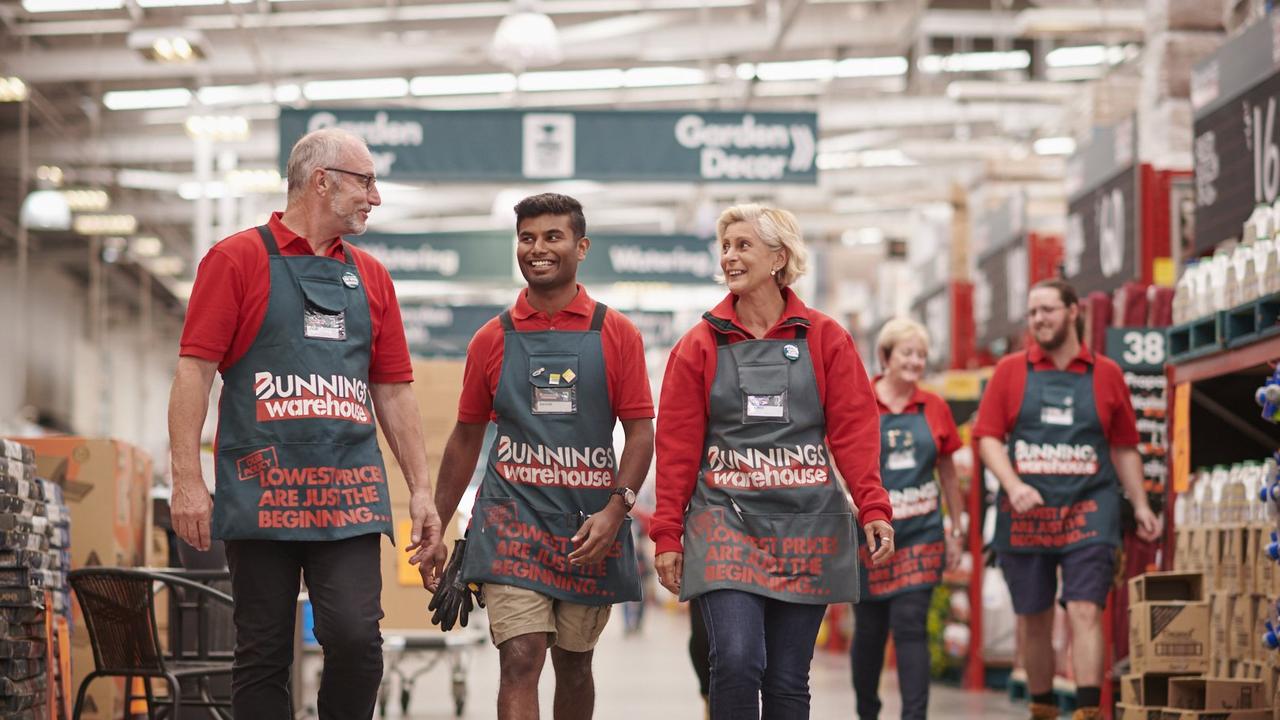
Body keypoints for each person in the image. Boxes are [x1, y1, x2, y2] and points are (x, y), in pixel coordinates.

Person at [167, 127, 446, 719]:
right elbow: (194, 374)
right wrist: (188, 479)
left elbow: (393, 392)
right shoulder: (236, 259)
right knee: (263, 652)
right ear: (323, 181)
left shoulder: (371, 278)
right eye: (366, 182)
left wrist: (422, 489)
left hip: (348, 494)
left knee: (355, 639)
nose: (375, 197)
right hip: (259, 491)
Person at [651, 203, 894, 720]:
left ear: (779, 257)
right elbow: (676, 448)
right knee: (736, 660)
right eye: (726, 246)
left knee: (787, 679)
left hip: (808, 522)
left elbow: (854, 431)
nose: (729, 257)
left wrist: (873, 508)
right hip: (725, 522)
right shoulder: (698, 345)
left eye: (743, 246)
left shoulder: (825, 338)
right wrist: (667, 533)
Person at [429, 193, 655, 720]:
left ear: (582, 246)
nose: (537, 249)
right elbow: (465, 440)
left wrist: (617, 509)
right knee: (520, 657)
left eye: (552, 237)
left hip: (587, 528)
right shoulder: (492, 339)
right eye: (527, 238)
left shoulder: (616, 333)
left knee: (575, 664)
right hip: (512, 520)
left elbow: (641, 431)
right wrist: (435, 527)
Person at [974, 278, 1162, 720]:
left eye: (1048, 310)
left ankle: (1087, 712)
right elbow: (987, 438)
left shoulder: (1107, 374)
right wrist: (1013, 484)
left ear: (1073, 312)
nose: (1038, 319)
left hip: (1089, 508)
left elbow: (1123, 446)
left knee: (1084, 608)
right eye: (1033, 312)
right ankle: (1042, 708)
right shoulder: (1011, 371)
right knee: (1034, 617)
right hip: (1026, 514)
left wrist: (1139, 504)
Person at [851, 317, 965, 720]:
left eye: (921, 355)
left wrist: (957, 527)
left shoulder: (934, 407)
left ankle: (913, 716)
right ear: (885, 356)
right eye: (907, 353)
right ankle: (868, 712)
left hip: (921, 532)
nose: (915, 362)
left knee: (911, 624)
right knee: (869, 632)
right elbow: (838, 457)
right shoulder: (860, 399)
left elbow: (949, 471)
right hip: (869, 535)